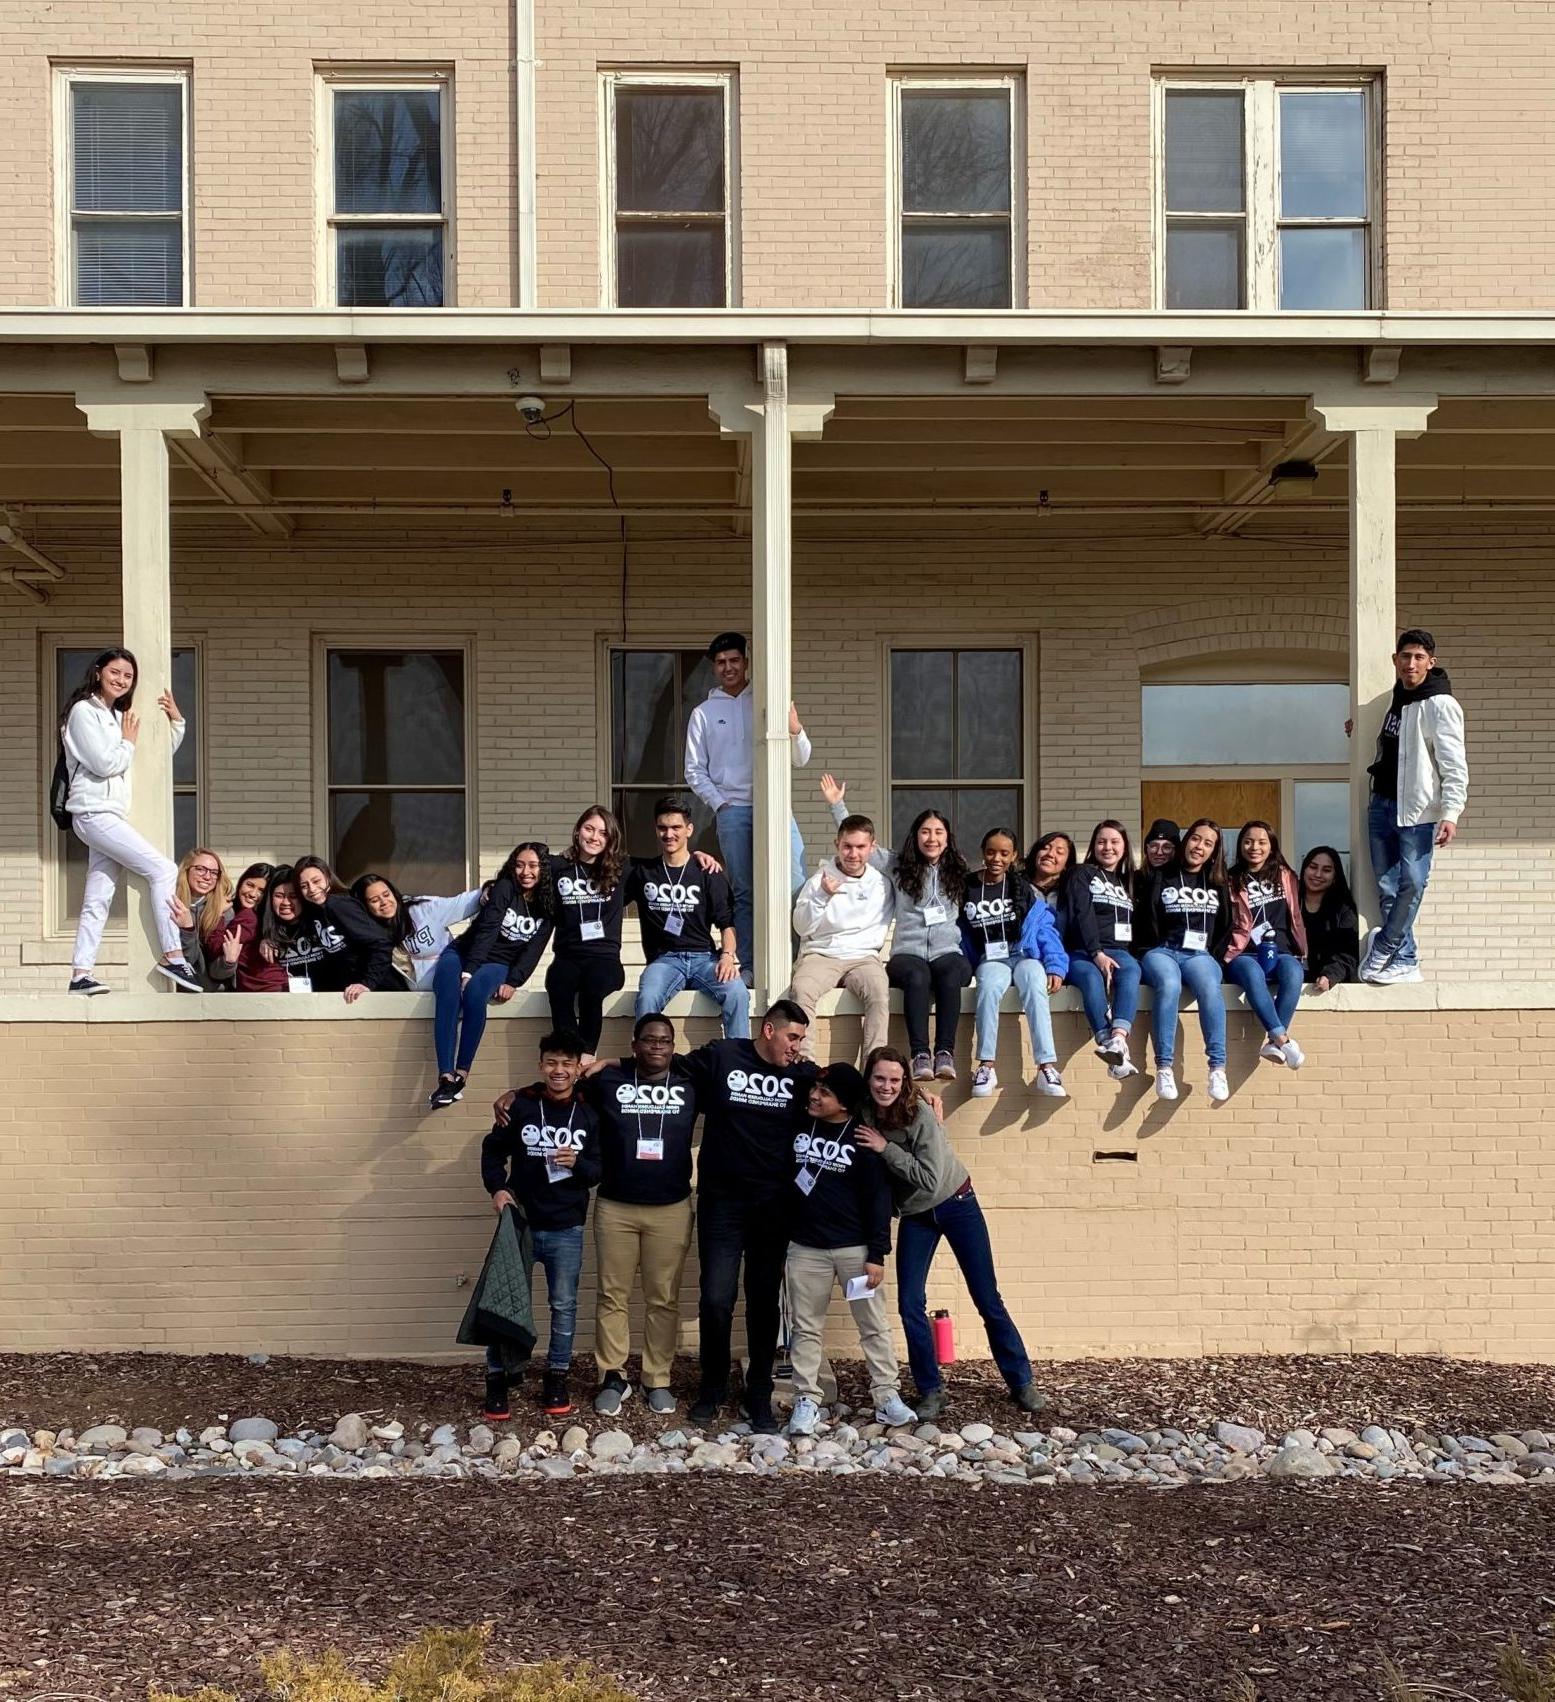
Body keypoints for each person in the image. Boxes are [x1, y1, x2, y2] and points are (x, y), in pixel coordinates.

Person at [857, 1046, 1049, 1421]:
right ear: (868, 1079)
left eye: (895, 1079)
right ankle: (931, 1390)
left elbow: (928, 1178)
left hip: (956, 1202)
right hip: (916, 1214)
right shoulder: (864, 1108)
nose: (887, 1086)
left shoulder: (920, 1113)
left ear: (905, 1081)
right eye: (880, 1078)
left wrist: (884, 1148)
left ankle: (1021, 1381)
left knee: (986, 1298)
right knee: (910, 1303)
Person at [677, 999, 819, 1434]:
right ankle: (713, 1386)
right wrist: (606, 1064)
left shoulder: (803, 1076)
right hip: (722, 1203)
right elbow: (661, 1066)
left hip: (773, 1206)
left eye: (801, 1039)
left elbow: (850, 1097)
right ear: (769, 1030)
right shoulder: (724, 1056)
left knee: (762, 1301)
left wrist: (916, 1097)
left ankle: (758, 1390)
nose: (797, 1047)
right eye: (792, 1037)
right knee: (716, 1299)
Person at [783, 1061, 916, 1436]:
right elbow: (798, 1076)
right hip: (805, 1250)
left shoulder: (861, 1139)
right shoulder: (800, 1121)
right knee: (805, 1328)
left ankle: (887, 1397)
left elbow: (878, 1201)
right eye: (815, 1089)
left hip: (854, 1252)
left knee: (873, 1326)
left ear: (844, 1103)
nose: (814, 1095)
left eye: (825, 1093)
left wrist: (877, 1255)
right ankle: (806, 1400)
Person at [59, 647, 201, 994]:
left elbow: (153, 756)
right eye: (115, 672)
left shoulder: (114, 716)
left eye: (128, 676)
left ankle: (80, 974)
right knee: (164, 870)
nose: (122, 680)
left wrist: (177, 722)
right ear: (98, 672)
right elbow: (105, 763)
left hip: (107, 815)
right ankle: (173, 957)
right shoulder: (83, 712)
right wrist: (127, 743)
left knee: (98, 897)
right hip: (94, 813)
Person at [481, 1028, 602, 1419]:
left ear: (577, 1068)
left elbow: (599, 1169)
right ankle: (499, 1379)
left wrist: (577, 1165)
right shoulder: (520, 1107)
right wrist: (498, 1190)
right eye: (552, 1062)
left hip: (567, 1226)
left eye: (567, 1063)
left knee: (563, 1306)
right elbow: (492, 1152)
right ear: (541, 1064)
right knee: (504, 1300)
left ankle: (557, 1377)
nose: (559, 1070)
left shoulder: (588, 1112)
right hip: (521, 1223)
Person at [822, 778, 979, 1079]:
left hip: (948, 951)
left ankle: (944, 1052)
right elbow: (862, 846)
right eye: (925, 831)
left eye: (938, 832)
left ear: (947, 837)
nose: (931, 838)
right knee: (918, 976)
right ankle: (920, 1054)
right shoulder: (899, 864)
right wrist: (836, 805)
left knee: (949, 972)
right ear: (916, 836)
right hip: (908, 952)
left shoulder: (959, 868)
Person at [583, 1013, 699, 1417]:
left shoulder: (690, 1081)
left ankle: (657, 1378)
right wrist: (516, 1095)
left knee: (662, 1298)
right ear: (634, 1045)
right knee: (612, 1295)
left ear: (672, 1046)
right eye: (648, 1040)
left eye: (664, 1041)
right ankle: (612, 1376)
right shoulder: (608, 1081)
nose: (656, 1047)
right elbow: (560, 1091)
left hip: (671, 1207)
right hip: (616, 1205)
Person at [684, 631, 812, 982]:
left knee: (796, 886)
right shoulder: (704, 713)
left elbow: (801, 758)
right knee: (744, 891)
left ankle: (798, 963)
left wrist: (795, 729)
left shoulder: (769, 701)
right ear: (714, 668)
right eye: (721, 663)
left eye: (734, 661)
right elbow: (693, 770)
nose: (728, 668)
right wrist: (721, 804)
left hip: (775, 806)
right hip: (733, 811)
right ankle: (751, 965)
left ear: (746, 662)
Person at [1359, 629, 1469, 984]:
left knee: (1414, 882)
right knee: (1388, 886)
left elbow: (1454, 765)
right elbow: (1393, 741)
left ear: (1431, 663)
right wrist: (1358, 727)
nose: (1411, 663)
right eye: (1405, 656)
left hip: (1417, 811)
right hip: (1381, 804)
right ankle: (1406, 959)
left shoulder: (1440, 704)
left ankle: (1387, 945)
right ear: (1395, 660)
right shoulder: (1396, 696)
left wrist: (1450, 813)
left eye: (1419, 658)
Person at [428, 843, 555, 1109]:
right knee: (449, 996)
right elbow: (487, 929)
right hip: (463, 953)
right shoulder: (504, 889)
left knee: (474, 995)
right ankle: (445, 1077)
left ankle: (462, 1073)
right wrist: (468, 970)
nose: (525, 872)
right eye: (519, 864)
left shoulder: (549, 905)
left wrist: (513, 981)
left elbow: (534, 950)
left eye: (533, 866)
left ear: (543, 869)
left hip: (500, 963)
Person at [627, 794, 748, 1040]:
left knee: (736, 992)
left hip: (705, 959)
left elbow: (727, 924)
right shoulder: (642, 872)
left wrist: (727, 957)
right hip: (664, 961)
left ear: (689, 829)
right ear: (656, 829)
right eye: (662, 828)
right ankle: (647, 1064)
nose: (669, 834)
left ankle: (739, 1058)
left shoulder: (707, 871)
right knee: (648, 996)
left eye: (676, 828)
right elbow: (604, 864)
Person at [962, 828, 1068, 1098]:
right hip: (991, 959)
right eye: (991, 852)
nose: (997, 858)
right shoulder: (968, 887)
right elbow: (960, 933)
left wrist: (1055, 964)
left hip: (1022, 954)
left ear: (1014, 856)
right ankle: (986, 1065)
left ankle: (1046, 1067)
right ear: (983, 853)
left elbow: (1044, 928)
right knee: (987, 989)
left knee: (1035, 982)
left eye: (1004, 853)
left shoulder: (1021, 888)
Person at [786, 809, 894, 1064]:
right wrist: (823, 895)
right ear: (837, 844)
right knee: (801, 991)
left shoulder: (882, 884)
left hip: (864, 958)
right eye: (847, 846)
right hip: (822, 954)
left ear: (871, 847)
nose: (853, 854)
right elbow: (802, 927)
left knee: (879, 992)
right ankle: (806, 1066)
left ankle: (873, 1069)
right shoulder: (818, 881)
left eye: (860, 847)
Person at [1139, 818, 1232, 1104]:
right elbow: (1147, 916)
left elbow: (1226, 924)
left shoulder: (1217, 883)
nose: (1199, 847)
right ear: (1185, 841)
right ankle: (1164, 1067)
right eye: (1195, 839)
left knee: (1209, 987)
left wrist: (1212, 958)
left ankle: (1217, 1067)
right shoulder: (1161, 875)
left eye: (1208, 843)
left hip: (1199, 954)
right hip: (1163, 950)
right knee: (1169, 985)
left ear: (1214, 851)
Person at [545, 806, 628, 1066]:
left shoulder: (623, 869)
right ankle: (568, 1057)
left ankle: (587, 1056)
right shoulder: (558, 867)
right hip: (568, 956)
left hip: (604, 959)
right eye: (589, 829)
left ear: (610, 839)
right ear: (577, 831)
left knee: (592, 991)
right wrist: (492, 888)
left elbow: (665, 866)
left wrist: (699, 857)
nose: (594, 837)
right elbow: (524, 864)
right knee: (558, 986)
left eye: (603, 833)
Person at [1224, 821, 1307, 1070]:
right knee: (1253, 973)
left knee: (1294, 972)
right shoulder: (1230, 879)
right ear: (1240, 845)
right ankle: (1283, 1039)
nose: (1254, 847)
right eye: (1248, 841)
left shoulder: (1286, 876)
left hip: (1280, 949)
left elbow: (1297, 914)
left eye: (1262, 842)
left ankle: (1273, 1042)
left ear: (1271, 846)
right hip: (1244, 951)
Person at [1071, 821, 1144, 1081]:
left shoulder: (1128, 881)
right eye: (1102, 841)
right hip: (1082, 950)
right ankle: (1107, 1041)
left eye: (1115, 842)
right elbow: (1082, 913)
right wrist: (1096, 953)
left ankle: (1117, 1040)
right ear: (1093, 845)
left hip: (1119, 949)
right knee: (1091, 978)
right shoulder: (1083, 873)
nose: (1108, 847)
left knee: (1132, 969)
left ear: (1124, 847)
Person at [294, 855, 406, 999]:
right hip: (355, 997)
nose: (312, 889)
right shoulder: (317, 912)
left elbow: (381, 943)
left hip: (383, 993)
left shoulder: (338, 904)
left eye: (316, 881)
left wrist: (367, 983)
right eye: (304, 886)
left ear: (328, 877)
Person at [353, 871, 483, 991]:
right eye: (374, 900)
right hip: (413, 1004)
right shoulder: (369, 932)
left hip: (451, 991)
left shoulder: (423, 908)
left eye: (386, 894)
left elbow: (465, 902)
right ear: (364, 906)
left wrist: (490, 889)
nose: (384, 902)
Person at [231, 864, 321, 993]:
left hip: (329, 999)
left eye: (293, 896)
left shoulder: (318, 922)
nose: (286, 902)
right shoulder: (260, 926)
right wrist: (264, 938)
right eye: (279, 895)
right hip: (280, 1000)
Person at [171, 848, 236, 991]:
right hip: (179, 994)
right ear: (186, 870)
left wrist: (228, 962)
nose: (208, 877)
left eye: (214, 872)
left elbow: (219, 972)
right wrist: (187, 929)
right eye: (201, 869)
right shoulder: (173, 905)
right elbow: (186, 962)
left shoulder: (225, 910)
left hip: (215, 995)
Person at [1299, 846, 1360, 990]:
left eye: (1326, 870)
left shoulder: (1343, 909)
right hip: (1289, 980)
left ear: (1334, 877)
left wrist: (1329, 975)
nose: (1318, 874)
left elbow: (1348, 953)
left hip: (1326, 985)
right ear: (1304, 870)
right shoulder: (1290, 903)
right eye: (1313, 867)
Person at [216, 862, 274, 988]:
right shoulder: (230, 907)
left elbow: (216, 946)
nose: (253, 894)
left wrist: (217, 914)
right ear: (241, 881)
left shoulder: (251, 918)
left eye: (261, 891)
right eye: (250, 885)